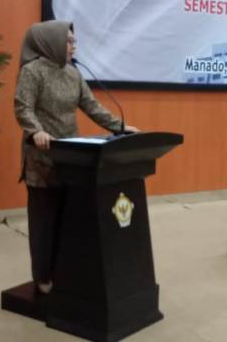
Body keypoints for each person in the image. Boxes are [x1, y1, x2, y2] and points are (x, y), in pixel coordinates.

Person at [14, 20, 138, 294]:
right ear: (51, 42)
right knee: (44, 221)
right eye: (68, 41)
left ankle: (65, 270)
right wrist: (36, 131)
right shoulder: (32, 71)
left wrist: (119, 126)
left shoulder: (73, 73)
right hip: (42, 156)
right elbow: (23, 108)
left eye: (73, 41)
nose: (73, 46)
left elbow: (91, 106)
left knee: (70, 219)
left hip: (71, 157)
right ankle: (43, 276)